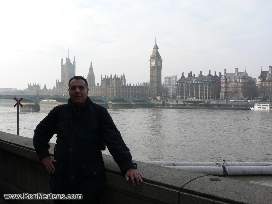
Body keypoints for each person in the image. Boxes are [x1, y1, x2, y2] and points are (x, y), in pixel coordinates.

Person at [33, 76, 143, 203]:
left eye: (81, 87)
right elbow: (40, 133)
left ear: (87, 90)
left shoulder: (99, 112)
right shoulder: (59, 112)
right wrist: (44, 156)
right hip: (62, 181)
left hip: (90, 181)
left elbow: (115, 141)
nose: (77, 91)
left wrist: (128, 166)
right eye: (73, 88)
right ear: (68, 91)